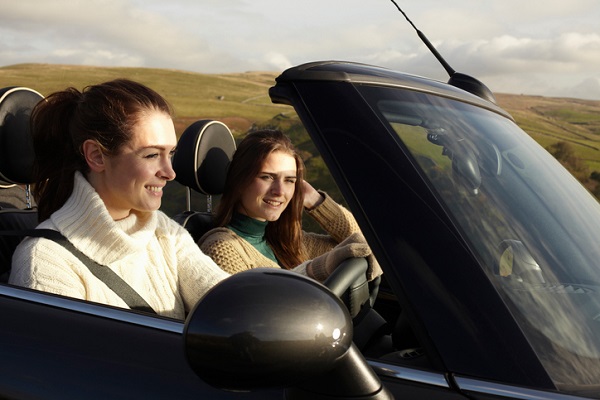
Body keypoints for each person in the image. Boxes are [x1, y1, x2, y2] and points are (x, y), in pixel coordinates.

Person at [9, 79, 228, 319]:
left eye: (171, 153)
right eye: (152, 154)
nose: (170, 172)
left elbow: (227, 300)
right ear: (96, 156)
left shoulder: (163, 231)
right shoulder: (45, 261)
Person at [197, 129, 381, 282]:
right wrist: (313, 270)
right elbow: (255, 311)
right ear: (239, 180)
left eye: (289, 180)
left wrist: (315, 200)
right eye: (267, 177)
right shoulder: (221, 247)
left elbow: (368, 244)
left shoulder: (290, 241)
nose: (279, 191)